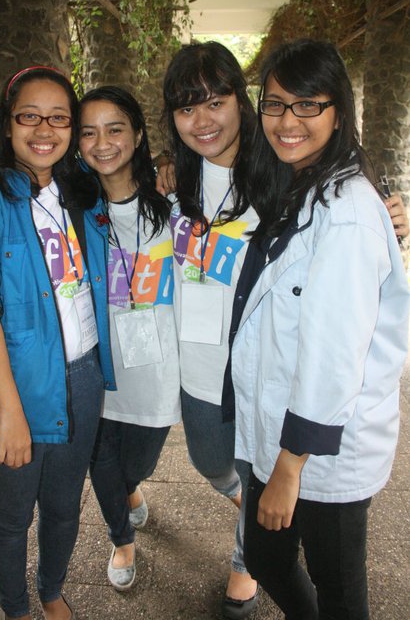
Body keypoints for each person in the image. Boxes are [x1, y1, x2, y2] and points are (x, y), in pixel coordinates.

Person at [230, 39, 409, 619]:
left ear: (338, 111)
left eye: (308, 104)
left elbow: (333, 355)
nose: (288, 121)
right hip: (284, 431)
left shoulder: (347, 212)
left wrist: (289, 468)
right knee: (265, 557)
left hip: (321, 445)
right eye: (276, 104)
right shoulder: (296, 182)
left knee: (339, 588)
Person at [0, 66, 115, 620]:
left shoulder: (81, 190)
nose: (44, 130)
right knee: (13, 516)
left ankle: (51, 590)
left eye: (59, 118)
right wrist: (9, 412)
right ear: (8, 123)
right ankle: (15, 608)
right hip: (14, 385)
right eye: (29, 116)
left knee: (64, 507)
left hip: (83, 375)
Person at [161, 41, 259, 619]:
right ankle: (255, 507)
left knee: (258, 469)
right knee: (211, 463)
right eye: (186, 107)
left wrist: (390, 215)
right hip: (199, 365)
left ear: (240, 101)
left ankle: (248, 560)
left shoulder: (278, 178)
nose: (202, 120)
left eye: (215, 102)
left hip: (259, 366)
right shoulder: (174, 186)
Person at [77, 86, 180, 591]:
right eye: (89, 132)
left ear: (138, 135)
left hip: (155, 369)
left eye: (115, 129)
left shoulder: (173, 200)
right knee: (99, 458)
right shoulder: (73, 211)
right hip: (98, 365)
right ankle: (121, 538)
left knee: (135, 463)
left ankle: (131, 490)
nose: (102, 143)